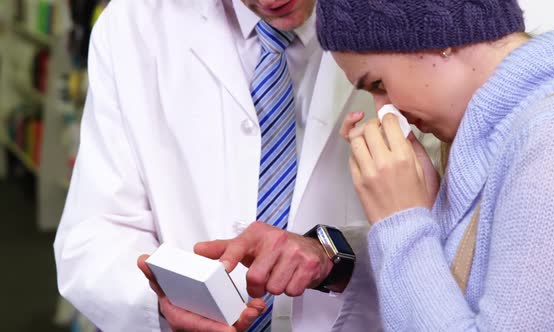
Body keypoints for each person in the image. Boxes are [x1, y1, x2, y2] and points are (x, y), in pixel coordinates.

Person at [52, 0, 417, 331]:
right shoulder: (134, 25)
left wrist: (336, 254)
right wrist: (160, 301)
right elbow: (96, 230)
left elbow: (452, 228)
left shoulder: (411, 20)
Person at [310, 0, 554, 330]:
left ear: (436, 34)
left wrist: (402, 222)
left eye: (378, 85)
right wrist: (429, 214)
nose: (387, 110)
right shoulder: (491, 138)